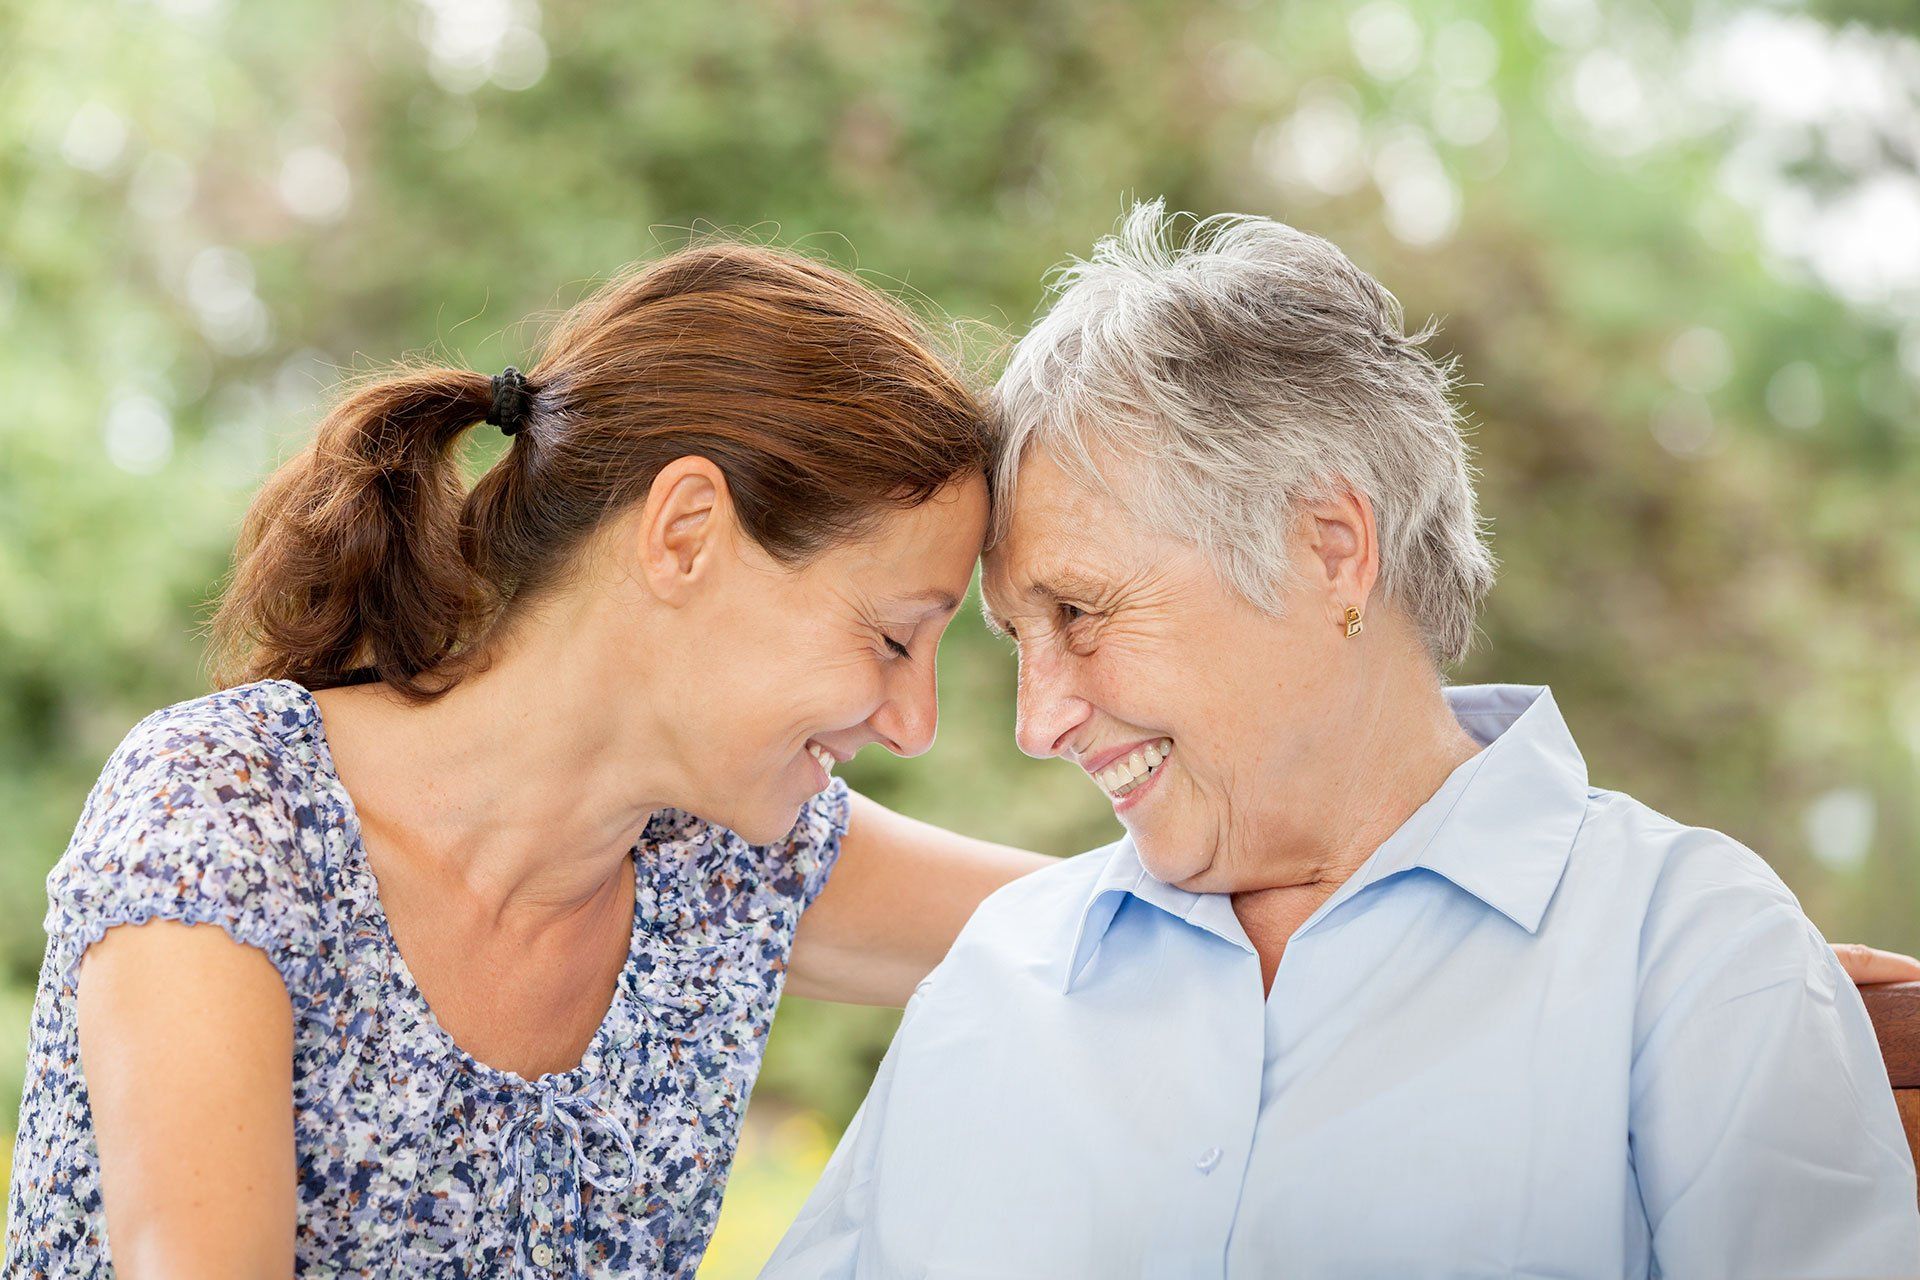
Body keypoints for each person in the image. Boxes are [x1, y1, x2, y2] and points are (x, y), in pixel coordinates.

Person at [763, 204, 1920, 1278]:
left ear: (1328, 548)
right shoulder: (998, 972)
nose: (1038, 719)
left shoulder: (1686, 952)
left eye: (1079, 612)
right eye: (1017, 635)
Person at [3, 242, 1050, 1279]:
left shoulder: (723, 857)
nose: (916, 722)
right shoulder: (229, 810)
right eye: (892, 636)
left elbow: (1120, 931)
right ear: (686, 532)